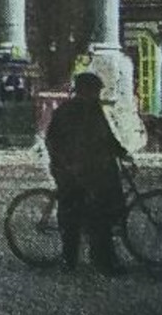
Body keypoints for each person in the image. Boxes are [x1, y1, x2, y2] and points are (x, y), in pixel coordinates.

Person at [45, 72, 130, 275]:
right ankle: (70, 260)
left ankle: (102, 259)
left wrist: (122, 153)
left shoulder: (94, 110)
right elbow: (53, 141)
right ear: (84, 90)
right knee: (72, 216)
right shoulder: (67, 111)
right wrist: (67, 165)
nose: (97, 95)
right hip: (70, 171)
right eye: (95, 91)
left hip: (94, 170)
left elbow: (107, 136)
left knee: (102, 215)